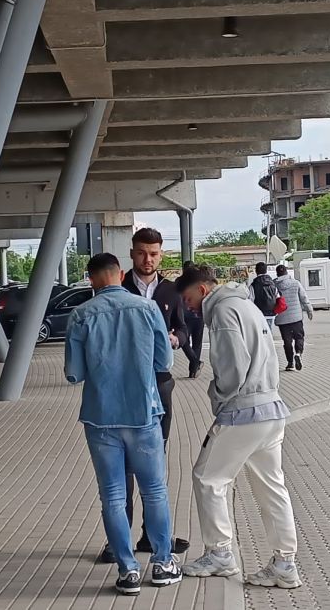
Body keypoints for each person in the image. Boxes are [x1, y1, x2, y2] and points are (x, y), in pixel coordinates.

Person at [175, 265, 302, 589]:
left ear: (202, 290)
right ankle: (284, 563)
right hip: (271, 407)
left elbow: (231, 367)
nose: (188, 307)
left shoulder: (223, 311)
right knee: (272, 487)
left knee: (207, 478)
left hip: (244, 410)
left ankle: (220, 554)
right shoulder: (247, 305)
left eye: (189, 299)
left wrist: (217, 396)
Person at [65, 253, 181, 595]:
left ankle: (127, 570)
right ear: (120, 274)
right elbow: (164, 361)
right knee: (154, 490)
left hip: (100, 418)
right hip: (143, 413)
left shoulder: (80, 315)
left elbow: (74, 374)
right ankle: (162, 564)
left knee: (113, 496)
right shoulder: (146, 309)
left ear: (91, 279)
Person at [111, 227, 189, 560]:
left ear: (162, 254)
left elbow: (186, 328)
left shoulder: (171, 291)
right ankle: (120, 541)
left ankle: (152, 537)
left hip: (160, 383)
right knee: (123, 465)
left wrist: (177, 339)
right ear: (132, 253)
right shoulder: (117, 289)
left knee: (155, 463)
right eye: (142, 252)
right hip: (122, 385)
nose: (148, 259)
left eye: (154, 253)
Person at [273, 265, 314, 372]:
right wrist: (309, 310)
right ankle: (298, 353)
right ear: (287, 272)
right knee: (299, 337)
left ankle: (290, 363)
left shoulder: (274, 285)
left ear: (277, 274)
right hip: (296, 317)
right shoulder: (296, 283)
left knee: (287, 341)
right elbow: (303, 297)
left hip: (282, 318)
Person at [180, 261, 204, 379]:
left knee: (184, 341)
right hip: (198, 316)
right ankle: (194, 365)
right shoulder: (199, 283)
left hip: (185, 316)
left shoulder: (178, 283)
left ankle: (193, 369)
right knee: (196, 343)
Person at [247, 262, 280, 331]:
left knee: (261, 334)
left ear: (256, 271)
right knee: (269, 333)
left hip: (259, 313)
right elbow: (278, 297)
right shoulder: (272, 284)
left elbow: (250, 300)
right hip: (271, 313)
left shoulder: (253, 285)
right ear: (266, 270)